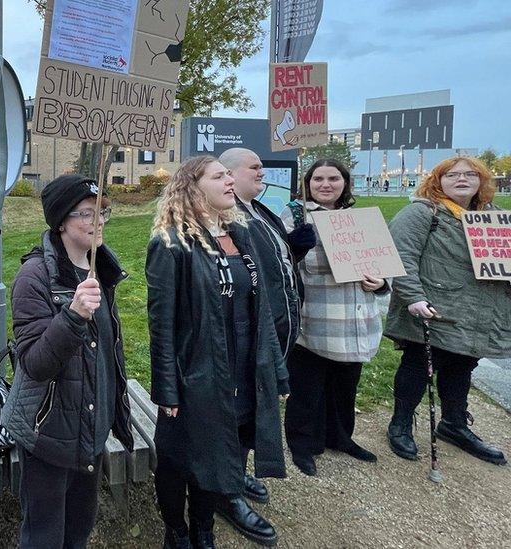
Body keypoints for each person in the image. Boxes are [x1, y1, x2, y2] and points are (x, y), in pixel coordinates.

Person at [147, 156, 288, 549]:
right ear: (194, 187)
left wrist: (274, 370)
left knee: (221, 451)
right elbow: (162, 325)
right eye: (219, 175)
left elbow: (258, 312)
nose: (230, 180)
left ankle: (204, 528)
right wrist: (168, 389)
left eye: (229, 174)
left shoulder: (241, 236)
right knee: (179, 460)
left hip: (240, 370)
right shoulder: (171, 243)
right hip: (196, 372)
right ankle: (176, 531)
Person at [2, 174, 134, 548]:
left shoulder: (101, 270)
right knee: (44, 533)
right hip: (48, 433)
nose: (98, 221)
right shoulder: (35, 276)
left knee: (79, 525)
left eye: (102, 212)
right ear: (61, 221)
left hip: (89, 427)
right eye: (87, 214)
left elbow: (107, 353)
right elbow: (35, 364)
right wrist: (73, 316)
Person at [215, 148, 317, 543]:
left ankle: (237, 474)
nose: (262, 171)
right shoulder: (228, 217)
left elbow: (274, 261)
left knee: (256, 407)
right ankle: (227, 492)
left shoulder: (261, 210)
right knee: (240, 411)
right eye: (254, 167)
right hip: (251, 335)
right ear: (230, 174)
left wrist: (295, 246)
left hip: (278, 330)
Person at [384, 156, 509, 465]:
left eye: (470, 174)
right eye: (453, 175)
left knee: (462, 366)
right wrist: (412, 297)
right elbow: (401, 256)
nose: (462, 179)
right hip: (433, 308)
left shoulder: (493, 218)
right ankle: (400, 424)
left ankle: (454, 423)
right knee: (418, 366)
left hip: (480, 312)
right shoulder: (423, 213)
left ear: (481, 181)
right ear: (438, 180)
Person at [281, 159, 388, 476]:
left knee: (345, 385)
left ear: (345, 183)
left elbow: (384, 263)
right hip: (316, 316)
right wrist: (295, 247)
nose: (325, 184)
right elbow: (281, 262)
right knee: (307, 388)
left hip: (356, 319)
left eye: (333, 178)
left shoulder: (359, 219)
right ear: (307, 183)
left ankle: (341, 437)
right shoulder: (296, 215)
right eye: (318, 179)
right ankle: (302, 443)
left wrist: (382, 283)